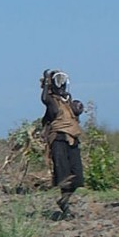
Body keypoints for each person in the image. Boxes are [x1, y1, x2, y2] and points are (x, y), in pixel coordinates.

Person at [40, 69, 84, 217]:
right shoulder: (52, 101)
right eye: (58, 84)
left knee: (77, 175)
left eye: (63, 84)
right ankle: (65, 206)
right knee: (63, 174)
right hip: (59, 139)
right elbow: (45, 98)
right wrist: (47, 80)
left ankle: (64, 199)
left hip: (72, 139)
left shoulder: (68, 102)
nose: (62, 87)